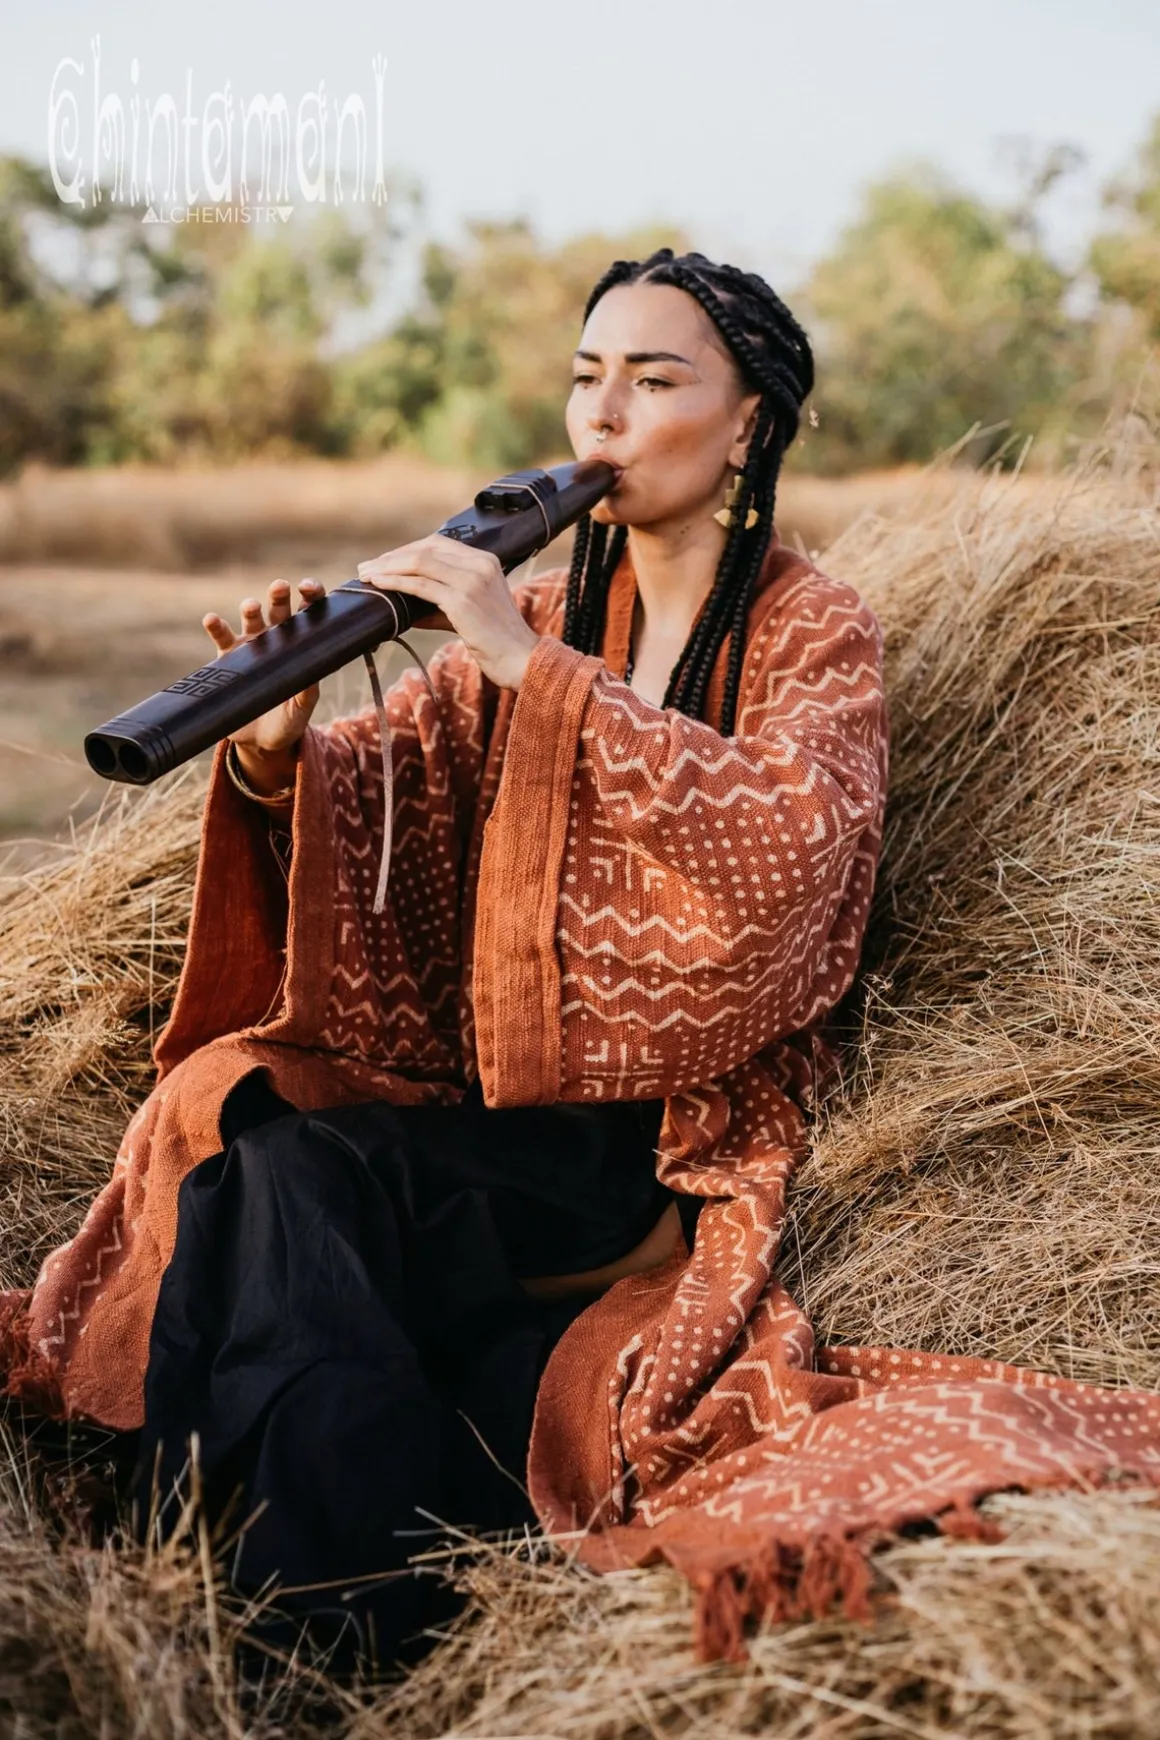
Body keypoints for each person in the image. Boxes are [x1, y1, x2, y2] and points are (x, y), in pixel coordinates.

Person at [6, 248, 1158, 1673]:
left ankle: (326, 1636)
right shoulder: (549, 611)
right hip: (496, 1112)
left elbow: (792, 861)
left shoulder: (812, 632)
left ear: (749, 423)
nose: (602, 416)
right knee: (239, 1144)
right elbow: (390, 794)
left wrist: (530, 672)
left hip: (661, 1141)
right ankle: (258, 1592)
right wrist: (274, 737)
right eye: (585, 377)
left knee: (302, 1187)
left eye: (655, 380)